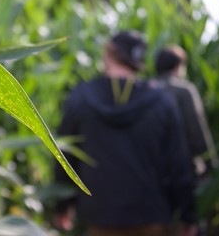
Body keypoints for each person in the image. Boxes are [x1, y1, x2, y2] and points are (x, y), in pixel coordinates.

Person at [54, 31, 197, 236]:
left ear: (109, 53)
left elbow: (64, 154)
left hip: (100, 217)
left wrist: (63, 204)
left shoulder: (81, 97)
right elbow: (178, 162)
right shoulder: (161, 101)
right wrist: (188, 215)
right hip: (152, 216)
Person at [154, 45, 217, 179]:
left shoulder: (146, 90)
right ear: (178, 66)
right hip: (182, 166)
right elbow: (196, 129)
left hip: (152, 168)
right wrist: (210, 163)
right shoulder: (184, 90)